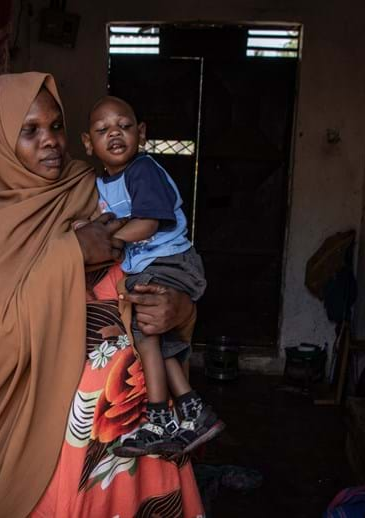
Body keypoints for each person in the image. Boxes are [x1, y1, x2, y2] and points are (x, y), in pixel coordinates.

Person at [0, 73, 204, 517]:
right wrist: (72, 252)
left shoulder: (88, 186)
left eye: (56, 127)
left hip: (137, 430)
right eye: (30, 131)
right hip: (40, 440)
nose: (51, 142)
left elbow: (154, 268)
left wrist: (180, 309)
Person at [81, 96, 225, 457]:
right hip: (156, 264)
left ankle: (160, 417)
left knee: (147, 336)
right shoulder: (103, 183)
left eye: (125, 127)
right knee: (158, 341)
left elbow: (147, 223)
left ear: (141, 133)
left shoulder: (142, 170)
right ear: (88, 143)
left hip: (172, 262)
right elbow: (106, 219)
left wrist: (107, 241)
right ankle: (193, 409)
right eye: (103, 130)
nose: (114, 134)